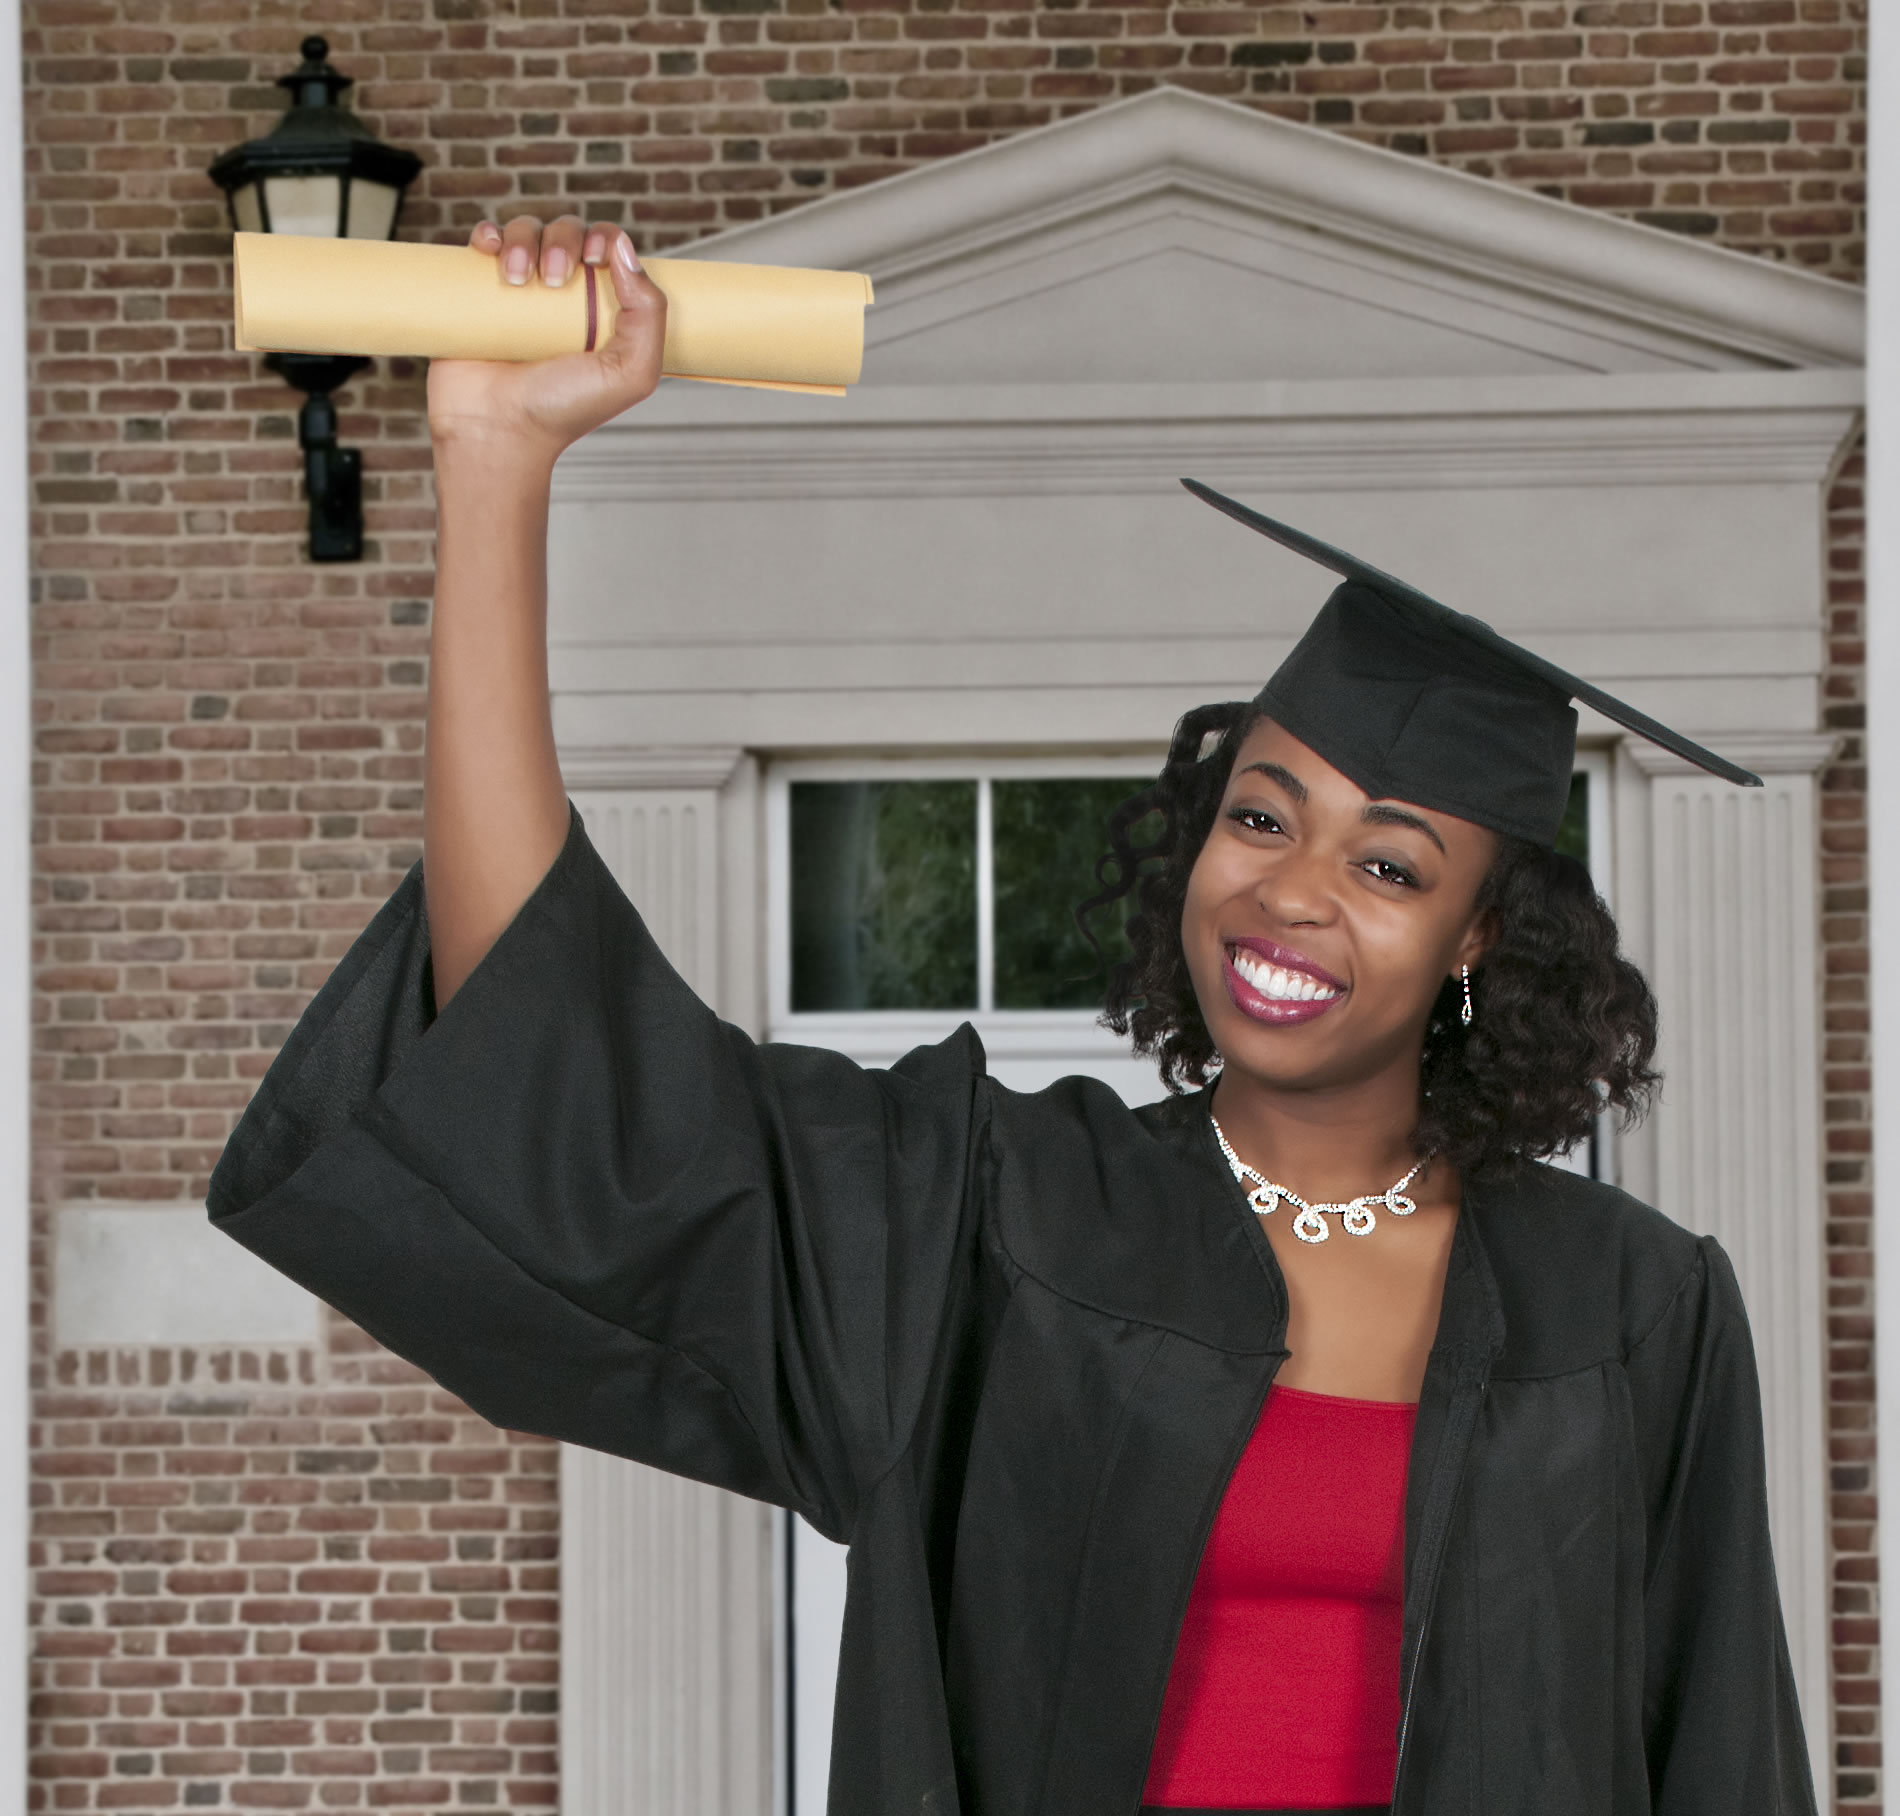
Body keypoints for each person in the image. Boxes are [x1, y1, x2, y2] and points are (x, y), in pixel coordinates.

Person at [208, 216, 1817, 1816]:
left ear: (1482, 938)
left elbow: (1723, 1761)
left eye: (1389, 863)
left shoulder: (1633, 1309)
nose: (1294, 889)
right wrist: (498, 469)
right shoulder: (997, 1213)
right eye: (1261, 817)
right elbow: (560, 1080)